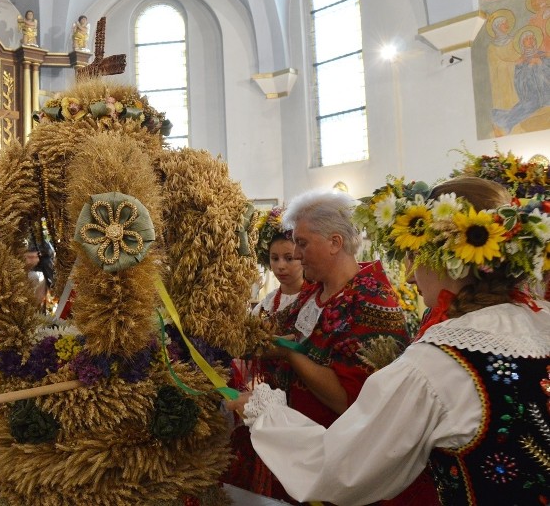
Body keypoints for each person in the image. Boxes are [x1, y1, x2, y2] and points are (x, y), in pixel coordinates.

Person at [230, 176, 550, 505]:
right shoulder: (540, 320)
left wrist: (262, 412)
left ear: (447, 257)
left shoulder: (441, 360)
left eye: (413, 255)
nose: (409, 275)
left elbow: (341, 466)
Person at [223, 206, 312, 497]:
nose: (281, 266)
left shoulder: (312, 299)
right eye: (275, 259)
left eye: (289, 258)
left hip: (299, 396)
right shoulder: (268, 302)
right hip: (265, 396)